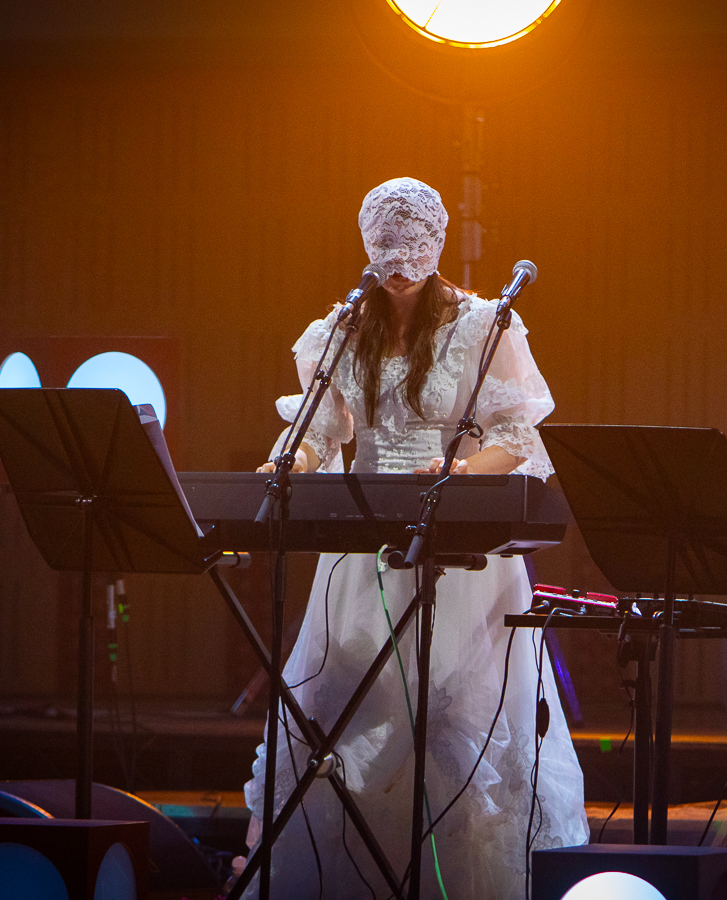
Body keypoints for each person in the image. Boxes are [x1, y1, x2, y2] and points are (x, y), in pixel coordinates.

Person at [242, 177, 589, 899]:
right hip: (364, 544)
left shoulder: (482, 324)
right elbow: (322, 429)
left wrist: (462, 470)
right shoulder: (342, 329)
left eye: (412, 253)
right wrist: (291, 461)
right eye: (387, 254)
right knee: (348, 711)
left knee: (449, 717)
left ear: (435, 248)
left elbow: (519, 435)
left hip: (457, 545)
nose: (399, 270)